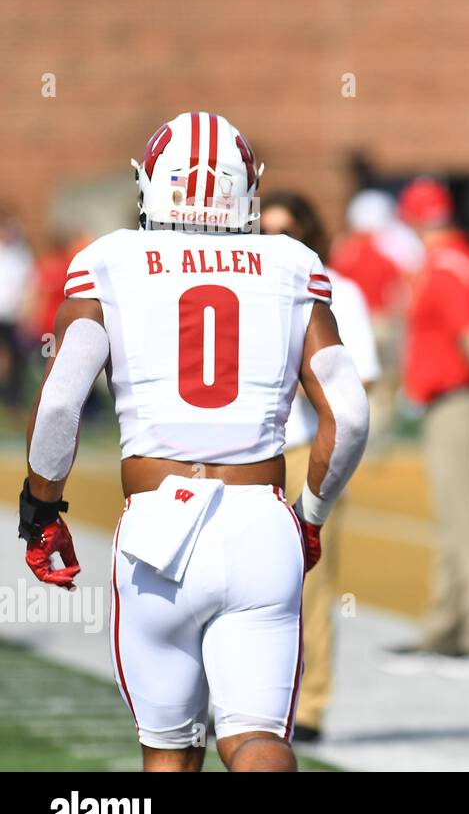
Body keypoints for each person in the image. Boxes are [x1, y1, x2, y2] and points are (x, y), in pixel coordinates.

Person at [18, 112, 369, 771]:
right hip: (260, 518)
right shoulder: (292, 264)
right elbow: (348, 416)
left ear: (151, 182)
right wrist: (312, 518)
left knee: (171, 754)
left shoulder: (110, 260)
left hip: (157, 531)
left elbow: (62, 401)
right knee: (257, 739)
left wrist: (41, 513)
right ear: (248, 188)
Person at [260, 192, 381, 740]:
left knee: (311, 581)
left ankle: (309, 703)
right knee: (242, 578)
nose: (274, 242)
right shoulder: (246, 282)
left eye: (286, 231)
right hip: (245, 452)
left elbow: (361, 383)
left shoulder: (334, 289)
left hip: (305, 447)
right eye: (265, 230)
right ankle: (250, 695)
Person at [388, 178, 469, 671]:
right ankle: (446, 628)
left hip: (457, 402)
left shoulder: (444, 270)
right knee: (457, 519)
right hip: (463, 402)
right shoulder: (464, 261)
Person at [0, 205, 34, 413]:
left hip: (12, 314)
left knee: (15, 358)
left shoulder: (21, 255)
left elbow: (29, 286)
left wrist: (26, 313)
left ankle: (11, 400)